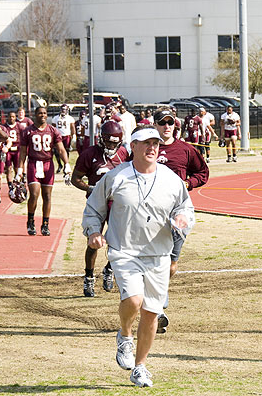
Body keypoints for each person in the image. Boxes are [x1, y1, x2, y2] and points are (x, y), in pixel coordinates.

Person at [82, 125, 194, 387]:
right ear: (132, 147)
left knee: (152, 312)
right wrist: (94, 231)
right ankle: (124, 336)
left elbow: (186, 207)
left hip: (159, 253)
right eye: (145, 143)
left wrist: (182, 219)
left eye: (155, 143)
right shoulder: (116, 176)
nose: (152, 148)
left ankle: (141, 366)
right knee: (134, 300)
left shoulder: (170, 178)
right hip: (124, 250)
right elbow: (93, 207)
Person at [153, 108, 208, 333]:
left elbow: (202, 173)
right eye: (162, 123)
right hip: (149, 213)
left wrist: (189, 183)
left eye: (170, 123)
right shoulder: (146, 147)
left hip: (177, 213)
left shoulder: (186, 150)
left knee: (171, 262)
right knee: (153, 260)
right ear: (154, 125)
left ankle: (160, 292)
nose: (167, 127)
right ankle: (156, 309)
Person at [72, 121, 130, 297]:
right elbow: (76, 178)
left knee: (118, 241)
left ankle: (109, 269)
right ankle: (89, 277)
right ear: (101, 139)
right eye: (109, 142)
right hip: (96, 204)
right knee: (94, 241)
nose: (112, 146)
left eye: (115, 142)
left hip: (115, 203)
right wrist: (90, 188)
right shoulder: (89, 154)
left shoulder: (123, 154)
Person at [16, 106, 71, 236]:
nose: (42, 115)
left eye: (45, 113)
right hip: (34, 164)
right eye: (40, 113)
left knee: (47, 196)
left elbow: (61, 149)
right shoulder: (27, 131)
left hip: (48, 164)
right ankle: (30, 221)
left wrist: (67, 164)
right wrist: (20, 169)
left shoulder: (53, 131)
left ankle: (45, 224)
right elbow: (23, 152)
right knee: (34, 194)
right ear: (35, 115)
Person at [51, 104, 75, 173]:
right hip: (58, 136)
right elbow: (53, 128)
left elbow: (72, 128)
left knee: (66, 151)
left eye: (65, 109)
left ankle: (65, 165)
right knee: (56, 152)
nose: (63, 111)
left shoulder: (70, 118)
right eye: (62, 109)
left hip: (66, 136)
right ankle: (59, 165)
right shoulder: (55, 118)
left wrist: (73, 136)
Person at [3, 112, 24, 190]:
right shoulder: (4, 127)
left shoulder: (20, 126)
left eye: (13, 117)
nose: (11, 118)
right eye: (10, 116)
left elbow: (24, 137)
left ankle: (18, 184)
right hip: (8, 150)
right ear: (7, 117)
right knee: (8, 168)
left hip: (17, 149)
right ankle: (10, 186)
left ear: (15, 117)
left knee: (17, 168)